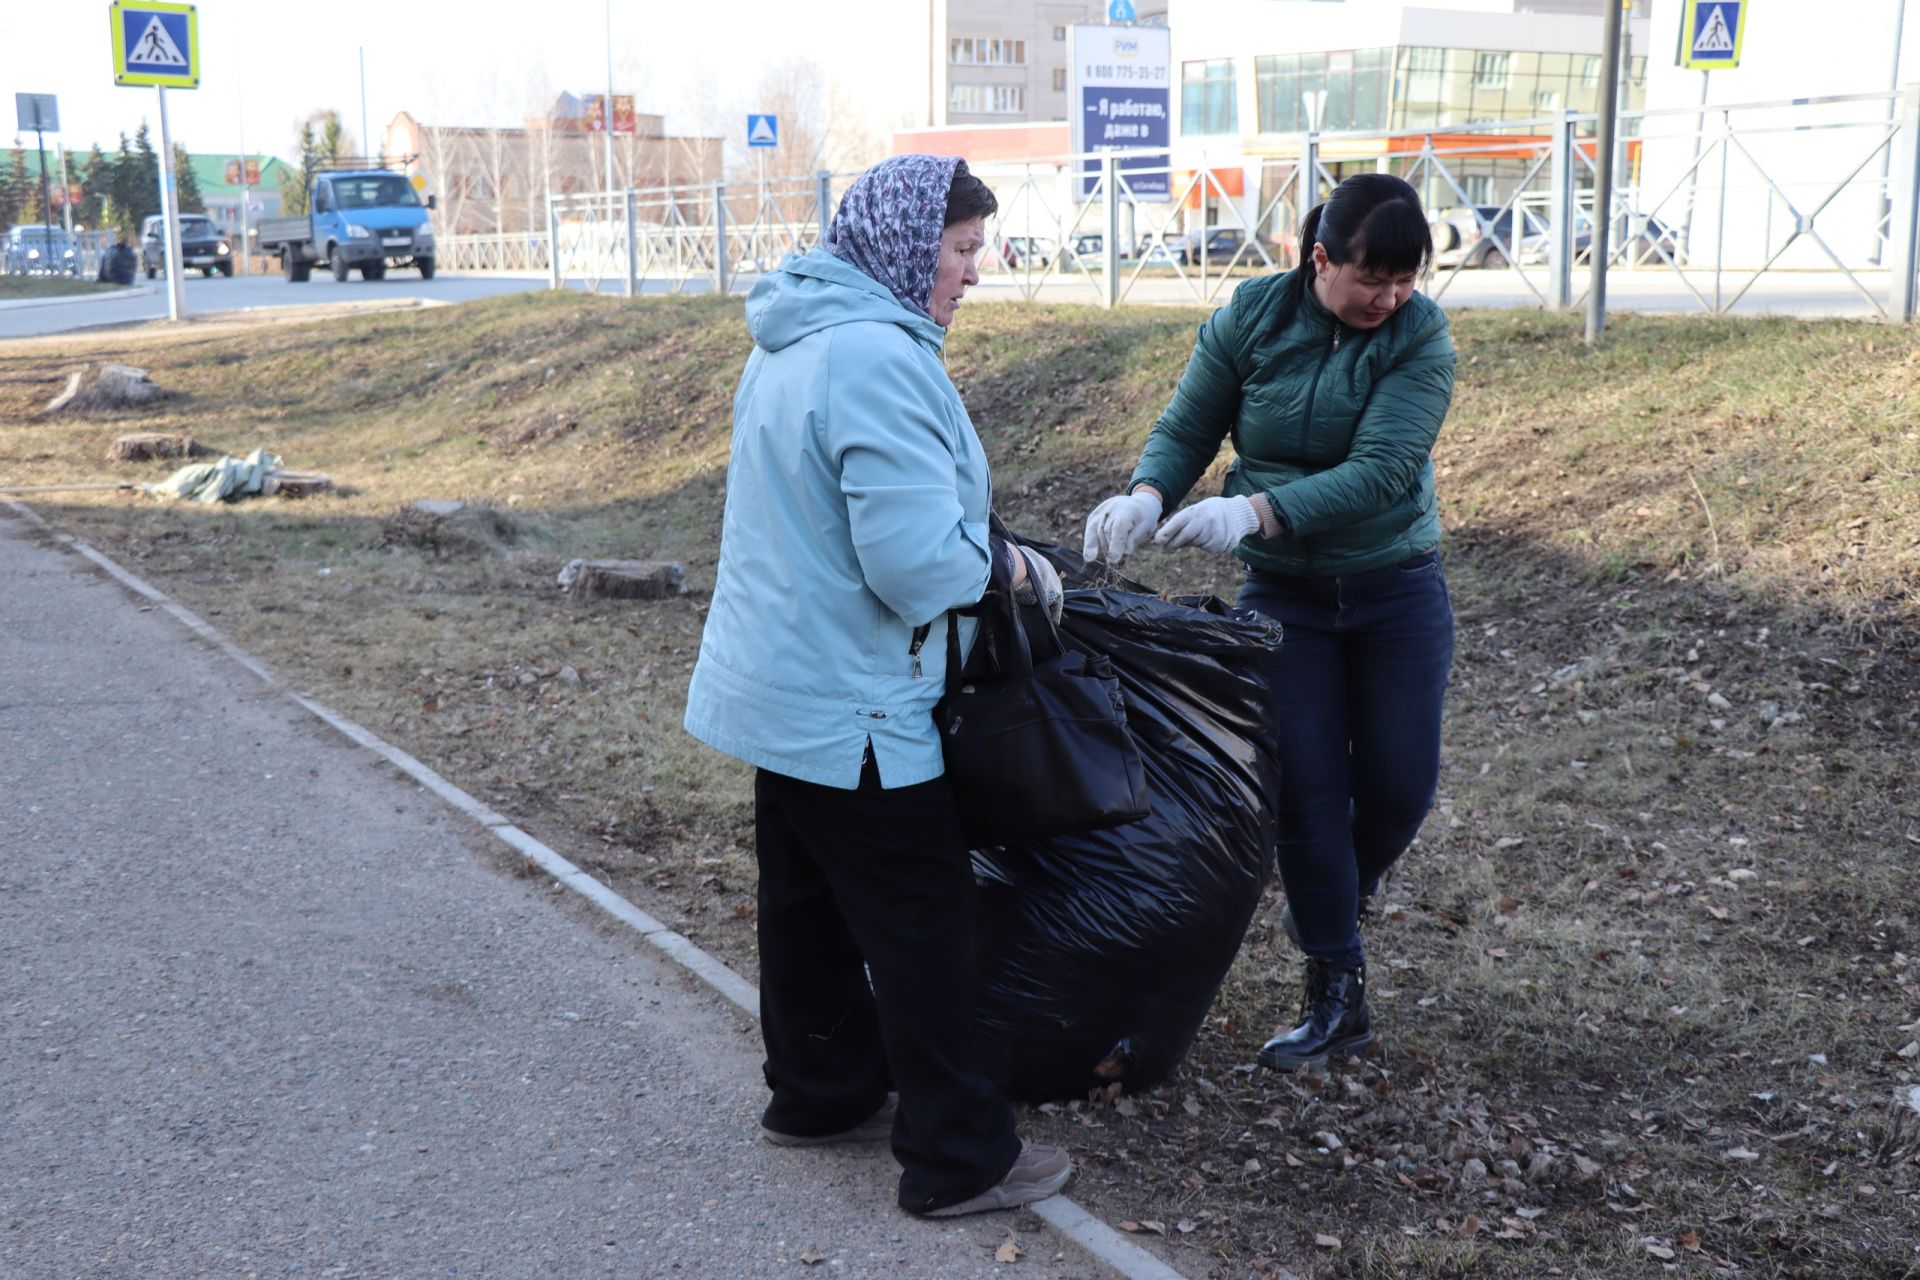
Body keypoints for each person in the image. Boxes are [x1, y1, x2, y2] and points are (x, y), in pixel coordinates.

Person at [684, 155, 1072, 1217]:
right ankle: (960, 1156)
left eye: (976, 248)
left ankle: (819, 1091)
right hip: (860, 701)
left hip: (782, 683)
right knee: (925, 925)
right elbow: (909, 566)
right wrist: (1005, 565)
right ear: (909, 246)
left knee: (805, 907)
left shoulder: (794, 338)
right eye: (958, 249)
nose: (972, 273)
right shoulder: (876, 360)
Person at [1081, 173, 1456, 1073]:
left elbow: (1383, 471)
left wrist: (1253, 513)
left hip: (1394, 586)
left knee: (1401, 786)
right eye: (1374, 278)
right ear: (1319, 257)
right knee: (1309, 792)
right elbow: (1189, 426)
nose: (1390, 297)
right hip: (1286, 598)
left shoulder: (1420, 339)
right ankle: (1336, 989)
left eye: (1406, 280)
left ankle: (1330, 895)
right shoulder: (1251, 317)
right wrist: (1145, 493)